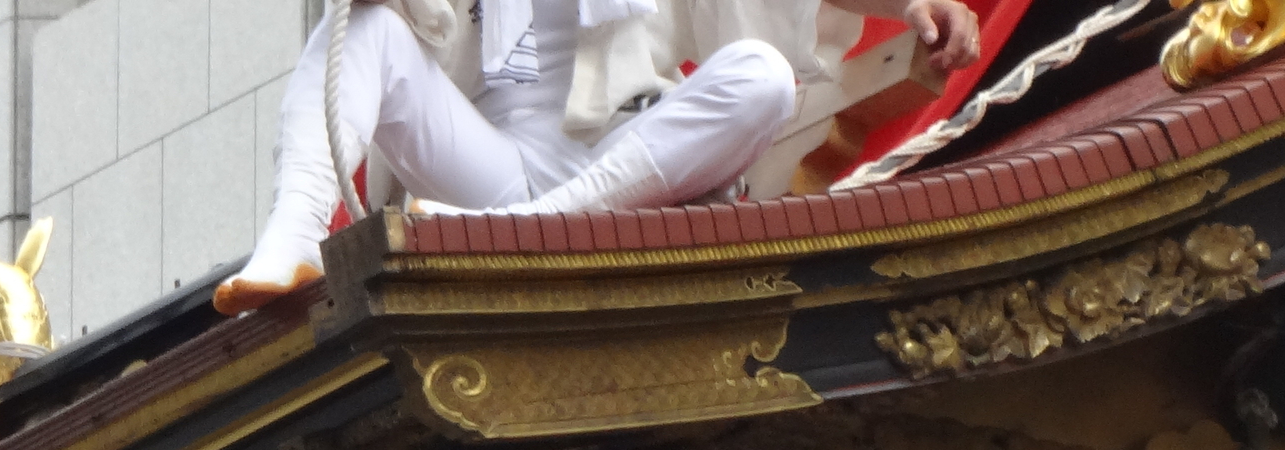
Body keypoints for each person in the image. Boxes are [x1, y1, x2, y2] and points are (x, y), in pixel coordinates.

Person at [216, 0, 980, 309]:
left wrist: (914, 2)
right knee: (367, 27)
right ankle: (293, 232)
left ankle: (540, 231)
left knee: (761, 78)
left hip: (628, 155)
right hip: (486, 166)